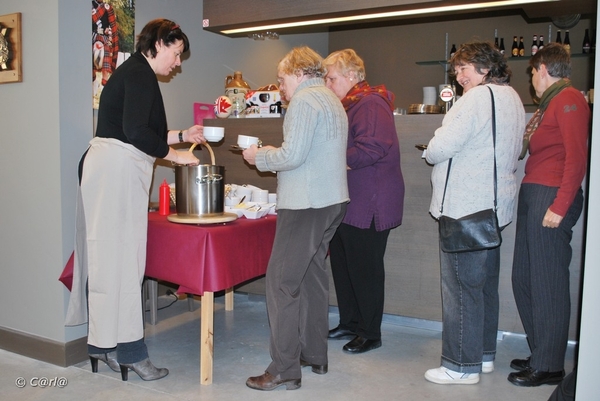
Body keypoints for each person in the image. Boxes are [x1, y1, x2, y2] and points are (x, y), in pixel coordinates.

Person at [65, 19, 205, 381]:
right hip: (115, 171)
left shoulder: (133, 72)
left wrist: (180, 135)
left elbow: (143, 130)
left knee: (107, 261)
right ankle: (130, 351)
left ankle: (102, 346)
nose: (178, 63)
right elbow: (135, 132)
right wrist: (175, 156)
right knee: (126, 263)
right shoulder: (140, 74)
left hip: (106, 167)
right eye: (176, 53)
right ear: (159, 43)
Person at [242, 46, 349, 391]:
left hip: (306, 204)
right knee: (312, 277)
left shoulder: (304, 100)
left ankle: (284, 367)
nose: (281, 88)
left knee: (281, 283)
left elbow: (292, 155)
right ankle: (315, 354)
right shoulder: (332, 98)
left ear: (299, 73)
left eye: (281, 80)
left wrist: (260, 155)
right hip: (333, 200)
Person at [424, 42, 525, 385]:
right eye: (457, 69)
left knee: (460, 289)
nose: (459, 75)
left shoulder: (477, 98)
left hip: (465, 206)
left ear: (485, 68)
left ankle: (459, 367)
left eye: (465, 68)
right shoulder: (510, 96)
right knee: (483, 287)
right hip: (494, 206)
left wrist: (438, 135)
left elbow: (440, 148)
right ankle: (482, 356)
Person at [509, 43, 590, 387]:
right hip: (535, 192)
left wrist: (559, 205)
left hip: (551, 195)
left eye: (531, 72)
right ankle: (542, 350)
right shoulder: (551, 103)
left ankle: (550, 364)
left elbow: (577, 158)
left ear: (542, 68)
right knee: (524, 279)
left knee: (547, 284)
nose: (531, 79)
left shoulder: (570, 99)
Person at [322, 49, 404, 354]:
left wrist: (330, 160)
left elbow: (372, 149)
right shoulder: (350, 104)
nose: (328, 84)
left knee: (365, 269)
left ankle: (370, 332)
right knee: (344, 266)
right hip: (350, 200)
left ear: (352, 76)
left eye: (331, 78)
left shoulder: (370, 102)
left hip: (371, 201)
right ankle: (351, 322)